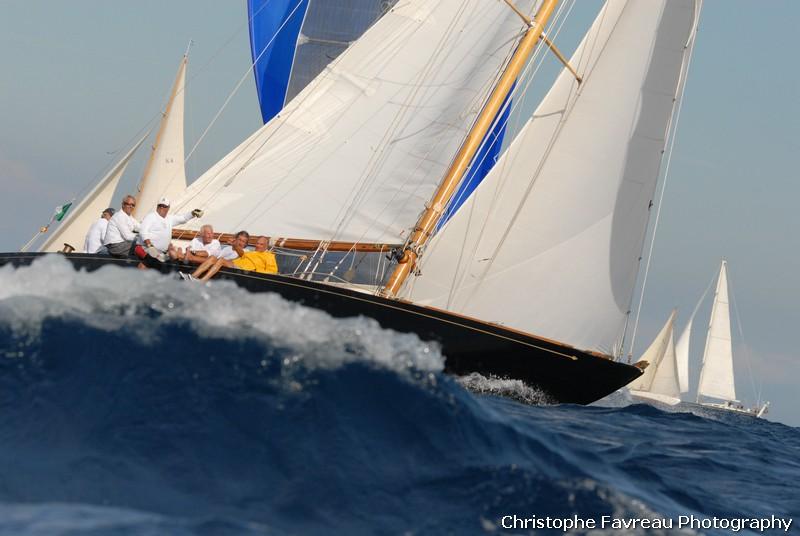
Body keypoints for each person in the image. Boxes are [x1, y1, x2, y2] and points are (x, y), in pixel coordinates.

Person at [136, 197, 202, 264]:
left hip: (161, 252)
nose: (162, 207)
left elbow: (183, 218)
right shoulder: (150, 216)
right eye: (160, 205)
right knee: (153, 263)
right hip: (147, 248)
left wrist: (193, 213)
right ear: (157, 206)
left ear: (168, 208)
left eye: (164, 206)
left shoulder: (169, 218)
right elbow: (143, 232)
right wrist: (150, 246)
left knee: (172, 261)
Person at [186, 235, 277, 282]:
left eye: (261, 244)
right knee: (213, 258)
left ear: (266, 246)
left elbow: (273, 271)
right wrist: (234, 245)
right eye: (257, 243)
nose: (257, 245)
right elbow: (241, 254)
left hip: (245, 270)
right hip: (236, 264)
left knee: (221, 260)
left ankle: (202, 281)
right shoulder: (251, 252)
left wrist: (257, 270)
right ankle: (193, 276)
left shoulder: (269, 256)